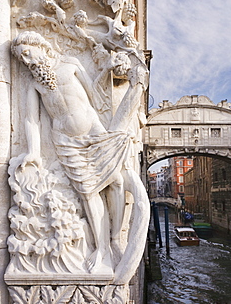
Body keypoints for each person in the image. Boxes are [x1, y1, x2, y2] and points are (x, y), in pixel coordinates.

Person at [11, 30, 148, 274]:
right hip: (65, 142)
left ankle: (116, 238)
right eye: (22, 59)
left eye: (28, 54)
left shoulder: (70, 64)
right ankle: (101, 248)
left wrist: (110, 71)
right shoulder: (34, 84)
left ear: (39, 46)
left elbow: (96, 94)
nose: (28, 61)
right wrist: (32, 151)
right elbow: (32, 120)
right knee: (88, 193)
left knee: (115, 181)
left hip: (94, 132)